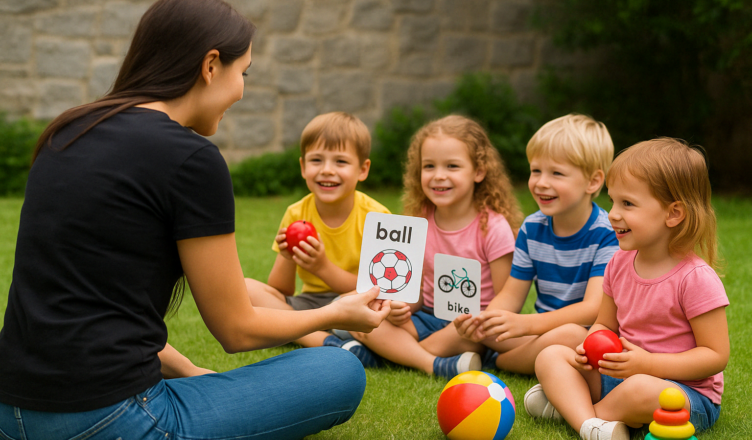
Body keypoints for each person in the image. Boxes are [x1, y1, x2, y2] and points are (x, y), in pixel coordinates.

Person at [0, 1, 390, 438]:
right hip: (114, 419)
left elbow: (90, 307)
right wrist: (334, 312)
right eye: (243, 73)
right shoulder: (191, 159)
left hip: (11, 412)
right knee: (338, 369)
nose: (241, 90)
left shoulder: (67, 131)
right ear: (210, 65)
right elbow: (236, 329)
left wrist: (190, 371)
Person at [527, 138, 729, 440]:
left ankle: (577, 412)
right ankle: (593, 424)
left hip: (683, 395)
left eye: (628, 204)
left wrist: (648, 364)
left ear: (673, 213)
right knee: (551, 355)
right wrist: (590, 347)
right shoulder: (619, 263)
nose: (613, 214)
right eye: (613, 201)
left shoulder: (696, 278)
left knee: (641, 389)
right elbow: (604, 324)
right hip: (620, 375)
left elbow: (715, 356)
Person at [350, 115, 523, 379]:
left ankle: (398, 355)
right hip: (426, 318)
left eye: (452, 166)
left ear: (478, 171)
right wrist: (401, 308)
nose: (438, 176)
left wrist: (475, 324)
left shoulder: (493, 227)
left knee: (460, 336)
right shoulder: (420, 221)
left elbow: (506, 297)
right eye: (429, 166)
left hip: (471, 327)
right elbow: (417, 293)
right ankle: (432, 362)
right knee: (359, 316)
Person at [454, 114, 618, 375]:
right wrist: (485, 319)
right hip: (538, 331)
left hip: (586, 335)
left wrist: (527, 324)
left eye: (557, 173)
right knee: (483, 328)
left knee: (571, 335)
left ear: (593, 181)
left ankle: (500, 362)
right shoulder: (532, 228)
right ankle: (515, 354)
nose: (541, 182)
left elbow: (592, 309)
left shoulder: (607, 233)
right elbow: (511, 295)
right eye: (536, 171)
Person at [244, 112, 391, 361]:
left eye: (340, 162)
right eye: (316, 160)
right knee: (246, 289)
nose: (326, 171)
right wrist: (287, 256)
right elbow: (281, 289)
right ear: (303, 167)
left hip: (352, 301)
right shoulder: (297, 212)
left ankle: (311, 333)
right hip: (310, 303)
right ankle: (328, 342)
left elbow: (375, 287)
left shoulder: (377, 217)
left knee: (368, 301)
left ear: (362, 169)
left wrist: (322, 267)